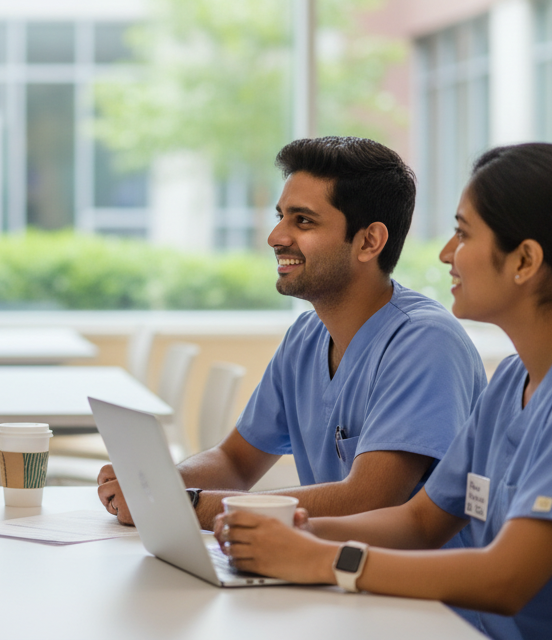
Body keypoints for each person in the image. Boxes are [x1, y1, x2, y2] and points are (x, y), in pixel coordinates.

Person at [216, 143, 552, 639]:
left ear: (525, 260)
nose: (447, 253)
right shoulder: (515, 378)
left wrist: (324, 560)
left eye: (463, 234)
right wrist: (290, 530)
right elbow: (421, 522)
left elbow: (507, 579)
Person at [98, 137, 485, 532]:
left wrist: (179, 505)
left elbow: (366, 499)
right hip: (322, 573)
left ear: (369, 241)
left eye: (303, 221)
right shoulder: (306, 335)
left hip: (408, 589)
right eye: (280, 216)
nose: (276, 236)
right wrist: (157, 486)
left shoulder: (426, 343)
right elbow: (235, 461)